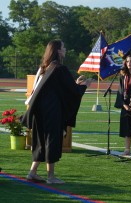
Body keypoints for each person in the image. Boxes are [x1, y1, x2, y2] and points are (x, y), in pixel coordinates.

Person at [21, 39, 91, 184]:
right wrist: (84, 86)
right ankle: (51, 176)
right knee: (51, 141)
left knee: (40, 140)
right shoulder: (59, 68)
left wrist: (76, 85)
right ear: (58, 51)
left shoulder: (45, 68)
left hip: (40, 111)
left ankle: (32, 172)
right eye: (63, 47)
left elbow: (61, 89)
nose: (65, 50)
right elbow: (72, 92)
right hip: (51, 111)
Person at [114, 49, 131, 156]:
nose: (129, 63)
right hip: (125, 104)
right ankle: (127, 149)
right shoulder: (123, 76)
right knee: (126, 127)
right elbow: (120, 91)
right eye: (128, 61)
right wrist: (124, 105)